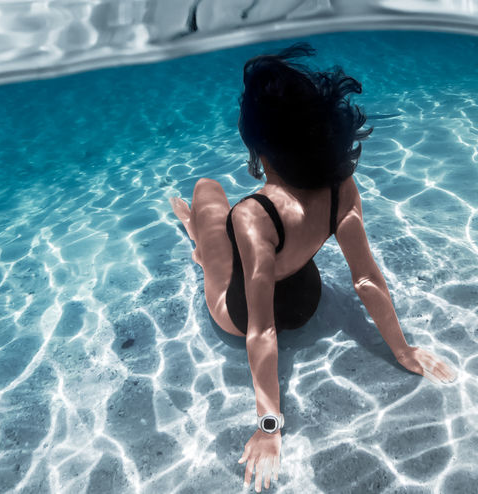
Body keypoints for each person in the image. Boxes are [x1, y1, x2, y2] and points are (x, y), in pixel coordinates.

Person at [170, 44, 456, 491]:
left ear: (258, 147)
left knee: (207, 195)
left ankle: (199, 239)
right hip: (306, 299)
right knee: (228, 238)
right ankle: (205, 242)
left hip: (240, 312)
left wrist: (269, 428)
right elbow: (365, 279)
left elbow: (261, 331)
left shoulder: (253, 214)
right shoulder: (341, 184)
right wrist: (403, 350)